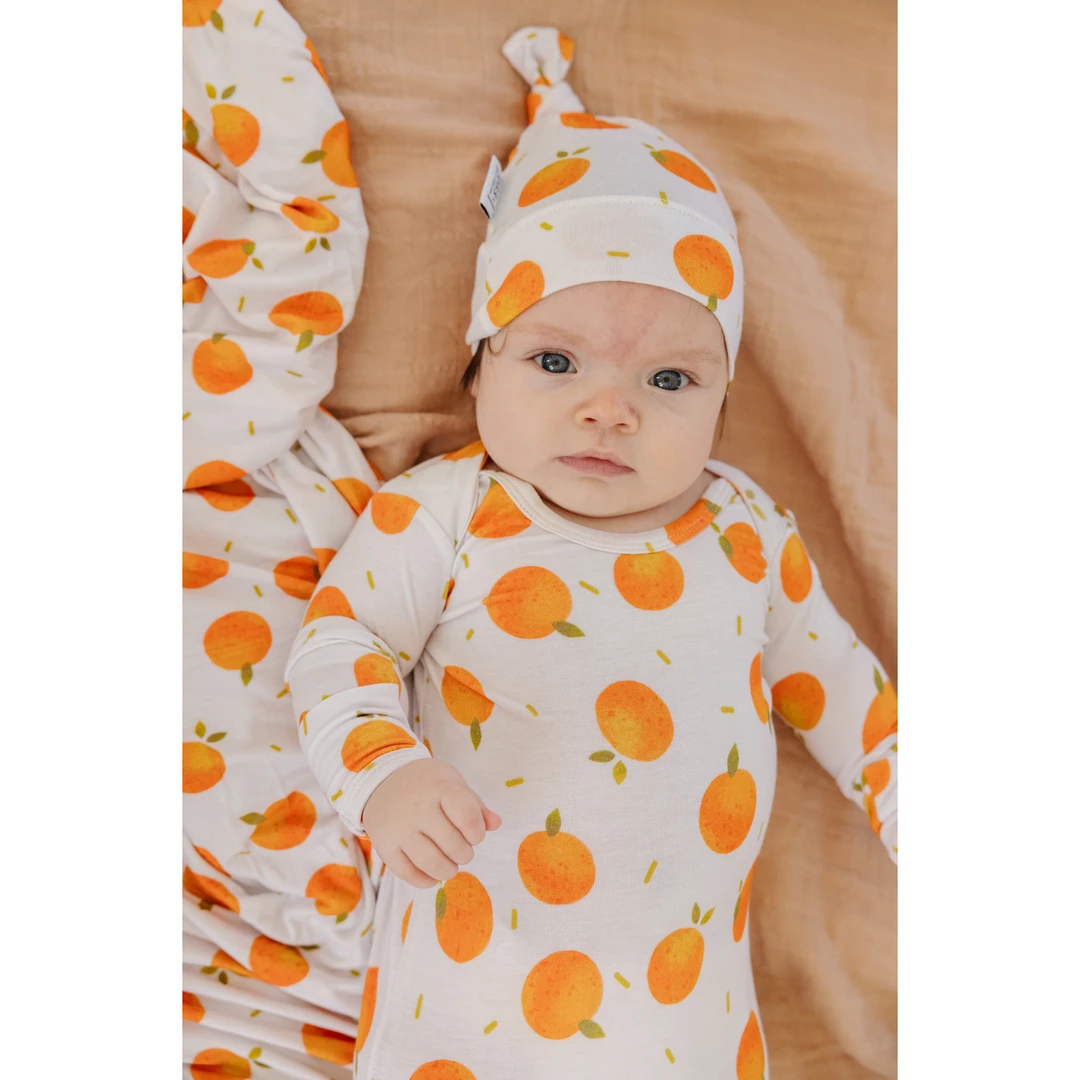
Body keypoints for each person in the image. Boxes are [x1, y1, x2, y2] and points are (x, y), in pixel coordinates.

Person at [285, 26, 897, 1080]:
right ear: (478, 367)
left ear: (722, 398)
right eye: (556, 362)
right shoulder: (443, 514)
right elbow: (339, 647)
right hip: (462, 1015)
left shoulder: (747, 532)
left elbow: (840, 687)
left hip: (686, 1028)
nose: (610, 409)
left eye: (669, 380)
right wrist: (381, 771)